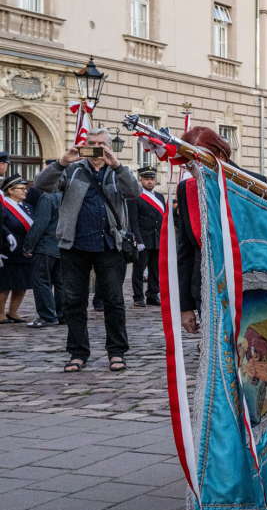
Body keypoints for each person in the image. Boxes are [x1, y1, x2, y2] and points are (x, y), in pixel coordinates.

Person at [34, 129, 142, 372]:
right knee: (73, 302)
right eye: (91, 143)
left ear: (109, 146)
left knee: (114, 302)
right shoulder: (72, 170)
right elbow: (42, 184)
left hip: (109, 246)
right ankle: (77, 352)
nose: (96, 147)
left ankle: (116, 351)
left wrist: (117, 166)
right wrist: (62, 162)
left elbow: (135, 192)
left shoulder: (117, 172)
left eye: (101, 143)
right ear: (83, 145)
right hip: (75, 245)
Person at [175, 126, 267, 335]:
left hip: (249, 288)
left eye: (199, 162)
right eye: (189, 165)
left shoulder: (256, 185)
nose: (194, 170)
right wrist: (185, 306)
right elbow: (185, 251)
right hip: (206, 290)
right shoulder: (187, 190)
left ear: (221, 156)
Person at [22, 188, 64, 328]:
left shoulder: (48, 198)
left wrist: (28, 245)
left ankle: (47, 316)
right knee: (60, 283)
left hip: (46, 246)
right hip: (63, 246)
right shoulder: (65, 196)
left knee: (41, 281)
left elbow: (40, 223)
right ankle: (62, 314)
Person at [0, 175, 33, 323]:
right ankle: (0, 312)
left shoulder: (28, 207)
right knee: (5, 284)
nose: (25, 191)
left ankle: (13, 312)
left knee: (22, 283)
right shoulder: (4, 206)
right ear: (11, 190)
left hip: (25, 251)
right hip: (8, 251)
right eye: (21, 188)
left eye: (25, 188)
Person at [130, 166, 164, 307]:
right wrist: (138, 240)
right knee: (139, 270)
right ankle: (138, 297)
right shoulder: (135, 197)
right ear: (141, 180)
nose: (150, 182)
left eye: (152, 179)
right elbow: (133, 221)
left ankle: (152, 295)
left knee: (155, 270)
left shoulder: (160, 197)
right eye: (146, 179)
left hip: (157, 239)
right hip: (143, 239)